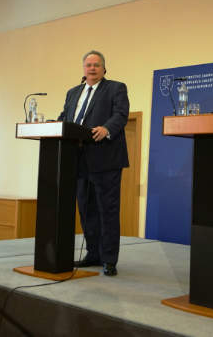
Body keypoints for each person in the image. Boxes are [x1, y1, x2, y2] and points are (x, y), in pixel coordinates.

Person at [58, 50, 129, 276]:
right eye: (88, 64)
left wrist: (107, 128)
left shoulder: (116, 88)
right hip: (78, 160)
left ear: (104, 68)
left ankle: (109, 260)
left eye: (96, 65)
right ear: (83, 68)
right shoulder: (73, 93)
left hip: (105, 159)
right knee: (87, 210)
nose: (92, 68)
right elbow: (64, 118)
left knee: (107, 210)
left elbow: (121, 114)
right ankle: (93, 253)